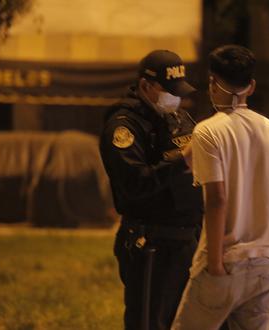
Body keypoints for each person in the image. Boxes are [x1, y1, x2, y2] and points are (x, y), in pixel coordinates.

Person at [172, 45, 269, 330]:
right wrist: (262, 192)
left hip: (226, 258)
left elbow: (217, 199)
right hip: (265, 262)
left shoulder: (208, 131)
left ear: (212, 84)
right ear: (251, 86)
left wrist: (216, 263)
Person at [99, 49, 203, 330]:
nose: (176, 97)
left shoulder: (177, 118)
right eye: (169, 90)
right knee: (149, 321)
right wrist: (181, 161)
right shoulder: (125, 126)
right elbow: (135, 182)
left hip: (186, 239)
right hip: (151, 242)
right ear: (146, 86)